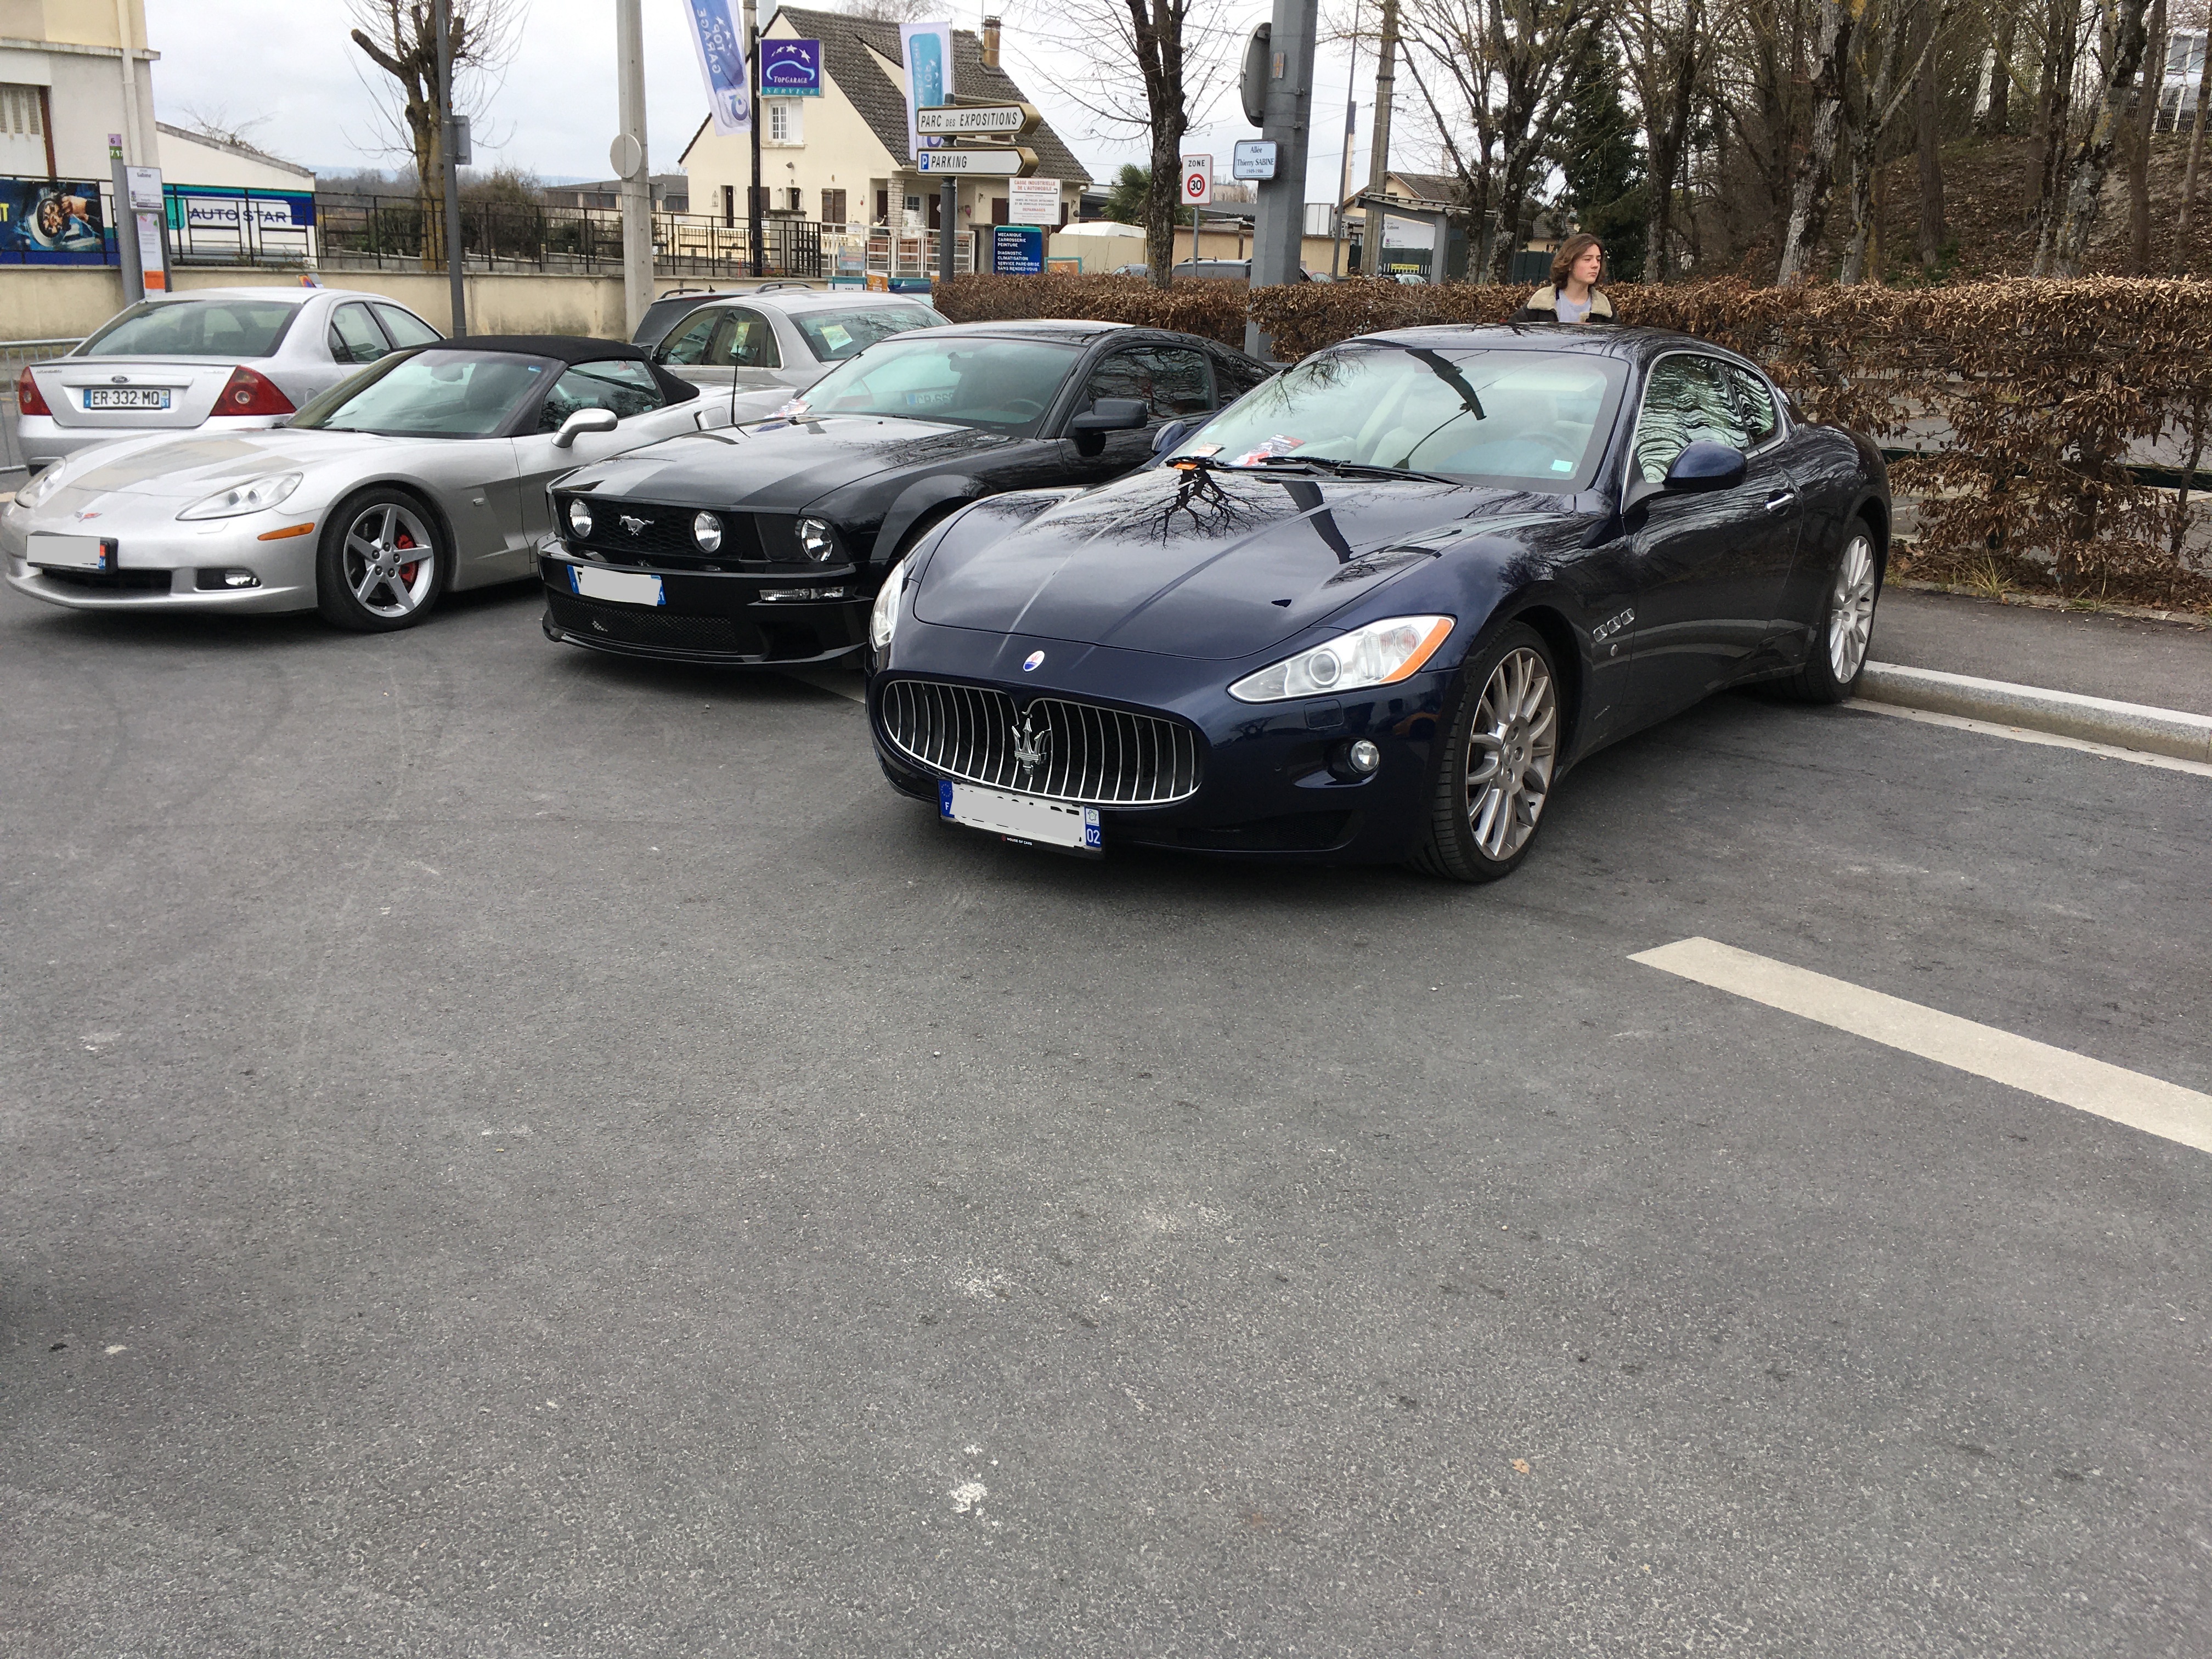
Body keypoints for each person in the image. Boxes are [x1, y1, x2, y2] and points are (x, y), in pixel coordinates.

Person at [1512, 234, 1615, 325]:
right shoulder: (1541, 301)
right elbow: (1512, 333)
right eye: (1587, 259)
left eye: (1598, 260)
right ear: (1569, 264)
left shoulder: (1605, 308)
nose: (1596, 265)